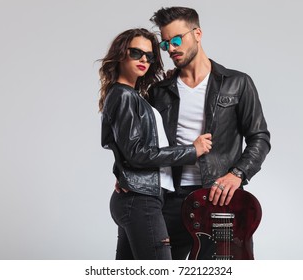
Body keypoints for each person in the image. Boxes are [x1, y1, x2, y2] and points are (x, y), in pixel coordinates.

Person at [148, 7, 271, 259]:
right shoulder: (159, 92)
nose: (171, 49)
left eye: (177, 40)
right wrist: (127, 174)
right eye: (165, 44)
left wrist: (237, 174)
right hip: (169, 199)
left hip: (219, 198)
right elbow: (148, 146)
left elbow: (259, 137)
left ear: (198, 34)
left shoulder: (237, 83)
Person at [99, 28, 212, 260]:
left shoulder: (134, 96)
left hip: (139, 197)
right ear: (121, 54)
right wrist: (191, 151)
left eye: (149, 56)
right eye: (136, 53)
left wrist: (124, 173)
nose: (143, 59)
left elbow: (128, 151)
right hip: (140, 201)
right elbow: (137, 153)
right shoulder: (123, 95)